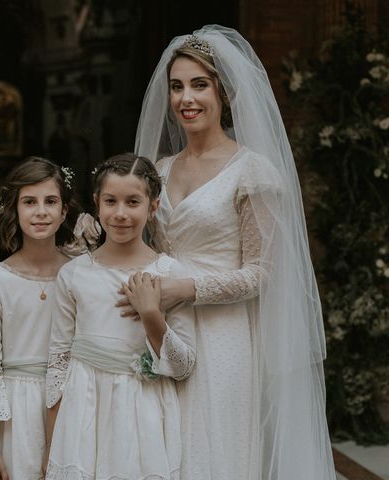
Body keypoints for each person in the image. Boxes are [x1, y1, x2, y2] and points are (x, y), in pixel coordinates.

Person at [132, 25, 336, 480]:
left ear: (223, 92)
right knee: (165, 450)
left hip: (224, 336)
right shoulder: (160, 171)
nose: (187, 98)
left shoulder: (253, 172)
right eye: (178, 86)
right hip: (165, 328)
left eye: (200, 85)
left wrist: (184, 288)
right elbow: (147, 247)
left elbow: (261, 272)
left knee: (215, 452)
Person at [44, 154, 196, 479]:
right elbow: (58, 361)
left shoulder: (169, 273)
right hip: (84, 411)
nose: (121, 213)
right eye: (111, 201)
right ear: (97, 203)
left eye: (133, 202)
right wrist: (53, 441)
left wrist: (151, 313)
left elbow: (183, 367)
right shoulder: (73, 274)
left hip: (145, 412)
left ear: (153, 207)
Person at [0, 157, 80, 480]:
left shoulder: (80, 272)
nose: (40, 212)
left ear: (64, 211)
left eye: (51, 202)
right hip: (15, 409)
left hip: (71, 401)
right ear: (15, 209)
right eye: (29, 202)